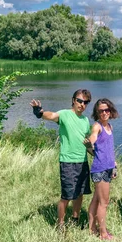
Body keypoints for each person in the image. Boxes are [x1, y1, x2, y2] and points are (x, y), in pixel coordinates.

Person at [30, 89, 92, 230]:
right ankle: (61, 224)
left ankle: (75, 218)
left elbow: (86, 142)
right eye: (79, 101)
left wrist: (95, 153)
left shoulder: (85, 120)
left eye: (85, 102)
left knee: (80, 193)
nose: (82, 104)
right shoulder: (64, 114)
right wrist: (39, 112)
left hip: (82, 162)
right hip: (68, 162)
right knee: (67, 195)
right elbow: (51, 115)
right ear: (73, 100)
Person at [83, 98, 119, 240]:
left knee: (96, 200)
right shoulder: (97, 126)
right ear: (97, 113)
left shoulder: (110, 126)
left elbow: (109, 149)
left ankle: (92, 228)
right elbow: (92, 137)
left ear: (110, 111)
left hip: (108, 167)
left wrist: (114, 165)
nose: (104, 113)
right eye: (101, 111)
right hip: (100, 169)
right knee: (104, 203)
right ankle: (103, 233)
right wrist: (89, 143)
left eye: (106, 110)